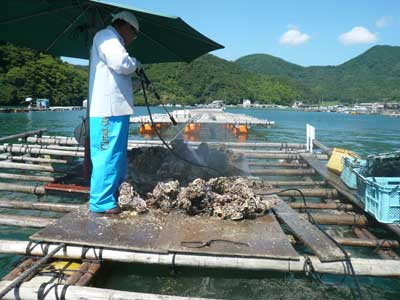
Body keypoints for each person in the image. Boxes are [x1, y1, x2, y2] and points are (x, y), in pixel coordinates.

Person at [88, 11, 141, 214]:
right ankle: (101, 202)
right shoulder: (107, 36)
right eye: (133, 34)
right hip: (106, 112)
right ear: (126, 27)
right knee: (106, 155)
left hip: (116, 110)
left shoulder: (114, 41)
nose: (132, 39)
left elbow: (115, 73)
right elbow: (121, 63)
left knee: (116, 155)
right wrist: (135, 63)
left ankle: (114, 194)